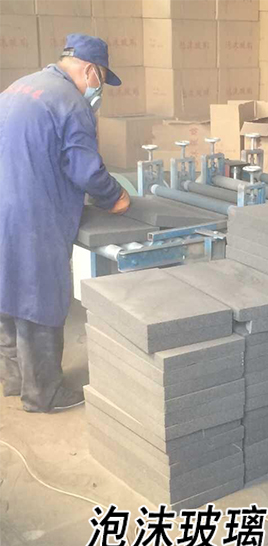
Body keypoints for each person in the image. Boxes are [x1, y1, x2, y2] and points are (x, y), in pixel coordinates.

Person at [0, 34, 131, 413]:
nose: (99, 88)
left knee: (7, 291)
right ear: (90, 70)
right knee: (39, 297)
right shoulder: (71, 103)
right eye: (101, 78)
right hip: (33, 215)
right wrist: (116, 197)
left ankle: (14, 380)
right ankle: (44, 394)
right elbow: (85, 169)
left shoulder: (18, 87)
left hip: (5, 203)